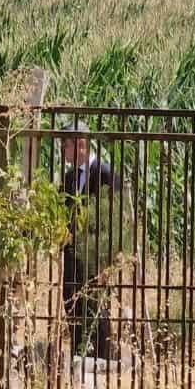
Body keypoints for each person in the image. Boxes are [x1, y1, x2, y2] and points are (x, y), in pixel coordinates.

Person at [59, 121, 127, 359]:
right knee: (73, 308)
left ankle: (103, 362)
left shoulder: (106, 174)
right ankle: (80, 360)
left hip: (96, 260)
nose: (62, 151)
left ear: (81, 145)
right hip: (72, 262)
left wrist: (109, 262)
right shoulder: (68, 179)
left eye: (64, 145)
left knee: (97, 313)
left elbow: (118, 220)